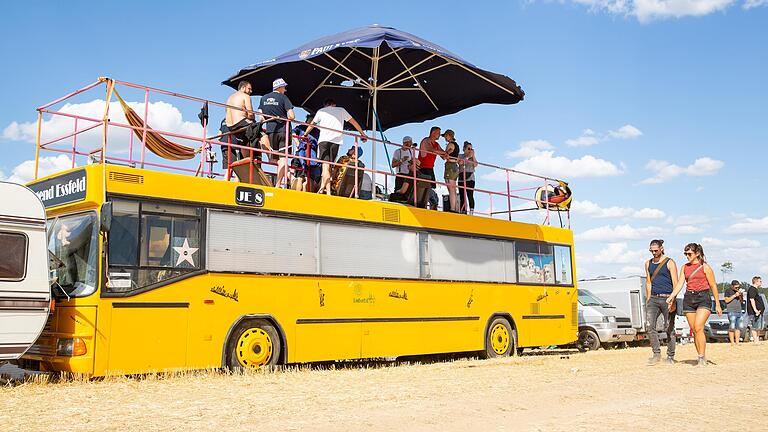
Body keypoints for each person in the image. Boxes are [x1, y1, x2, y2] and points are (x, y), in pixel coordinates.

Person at [667, 243, 722, 366]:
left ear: (697, 253)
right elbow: (680, 284)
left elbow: (713, 285)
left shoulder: (705, 267)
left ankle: (702, 357)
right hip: (689, 299)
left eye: (689, 254)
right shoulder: (684, 267)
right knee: (695, 330)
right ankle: (700, 355)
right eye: (685, 254)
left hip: (703, 298)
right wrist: (672, 296)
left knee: (698, 327)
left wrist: (717, 304)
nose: (687, 256)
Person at [303, 99, 368, 195]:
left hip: (324, 140)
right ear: (334, 104)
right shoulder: (341, 110)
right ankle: (328, 191)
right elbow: (353, 122)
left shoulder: (321, 111)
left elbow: (312, 124)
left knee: (325, 167)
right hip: (336, 141)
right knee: (329, 167)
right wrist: (362, 134)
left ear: (325, 105)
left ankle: (322, 188)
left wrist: (305, 134)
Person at [645, 239, 678, 365]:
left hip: (668, 298)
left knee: (668, 328)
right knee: (649, 326)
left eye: (656, 250)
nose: (653, 253)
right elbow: (648, 282)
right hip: (653, 298)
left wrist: (673, 300)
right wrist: (648, 298)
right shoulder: (648, 264)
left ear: (662, 249)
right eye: (651, 251)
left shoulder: (670, 262)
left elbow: (675, 282)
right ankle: (656, 354)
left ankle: (670, 356)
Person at [259, 78, 295, 188]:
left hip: (270, 131)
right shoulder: (283, 98)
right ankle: (279, 183)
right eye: (284, 87)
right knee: (283, 158)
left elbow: (260, 117)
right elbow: (292, 116)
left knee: (275, 159)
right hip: (283, 129)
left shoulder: (263, 98)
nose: (285, 89)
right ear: (279, 87)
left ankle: (290, 176)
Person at [418, 126, 447, 191]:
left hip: (430, 168)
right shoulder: (426, 140)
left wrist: (448, 153)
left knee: (432, 186)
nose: (440, 135)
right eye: (438, 133)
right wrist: (445, 153)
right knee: (426, 187)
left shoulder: (436, 144)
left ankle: (427, 200)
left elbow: (443, 156)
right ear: (433, 132)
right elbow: (431, 150)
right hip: (423, 167)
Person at [442, 130, 460, 212]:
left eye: (446, 136)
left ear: (449, 135)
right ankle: (455, 208)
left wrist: (440, 153)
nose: (445, 138)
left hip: (451, 166)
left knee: (451, 188)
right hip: (453, 166)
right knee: (452, 188)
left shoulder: (451, 144)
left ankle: (453, 208)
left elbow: (446, 155)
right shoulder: (456, 145)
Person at [458, 141, 478, 214]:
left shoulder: (472, 157)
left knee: (470, 195)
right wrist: (467, 157)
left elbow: (476, 165)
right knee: (462, 196)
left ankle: (471, 211)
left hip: (470, 178)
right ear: (464, 149)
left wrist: (473, 156)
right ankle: (463, 210)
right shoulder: (460, 155)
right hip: (461, 178)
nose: (470, 150)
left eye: (471, 149)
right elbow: (460, 162)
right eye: (468, 148)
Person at [724, 279, 745, 346]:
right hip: (731, 311)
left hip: (739, 311)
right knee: (732, 327)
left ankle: (737, 342)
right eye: (736, 287)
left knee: (738, 327)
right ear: (732, 286)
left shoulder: (739, 291)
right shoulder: (728, 291)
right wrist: (734, 295)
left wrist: (740, 295)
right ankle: (732, 342)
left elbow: (741, 301)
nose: (737, 288)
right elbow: (726, 300)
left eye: (738, 287)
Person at [745, 276, 764, 342]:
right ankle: (755, 341)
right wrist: (755, 310)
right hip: (754, 312)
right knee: (754, 326)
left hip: (759, 312)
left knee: (758, 327)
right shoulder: (752, 289)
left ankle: (757, 340)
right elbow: (752, 300)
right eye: (760, 281)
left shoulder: (756, 290)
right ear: (756, 282)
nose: (761, 283)